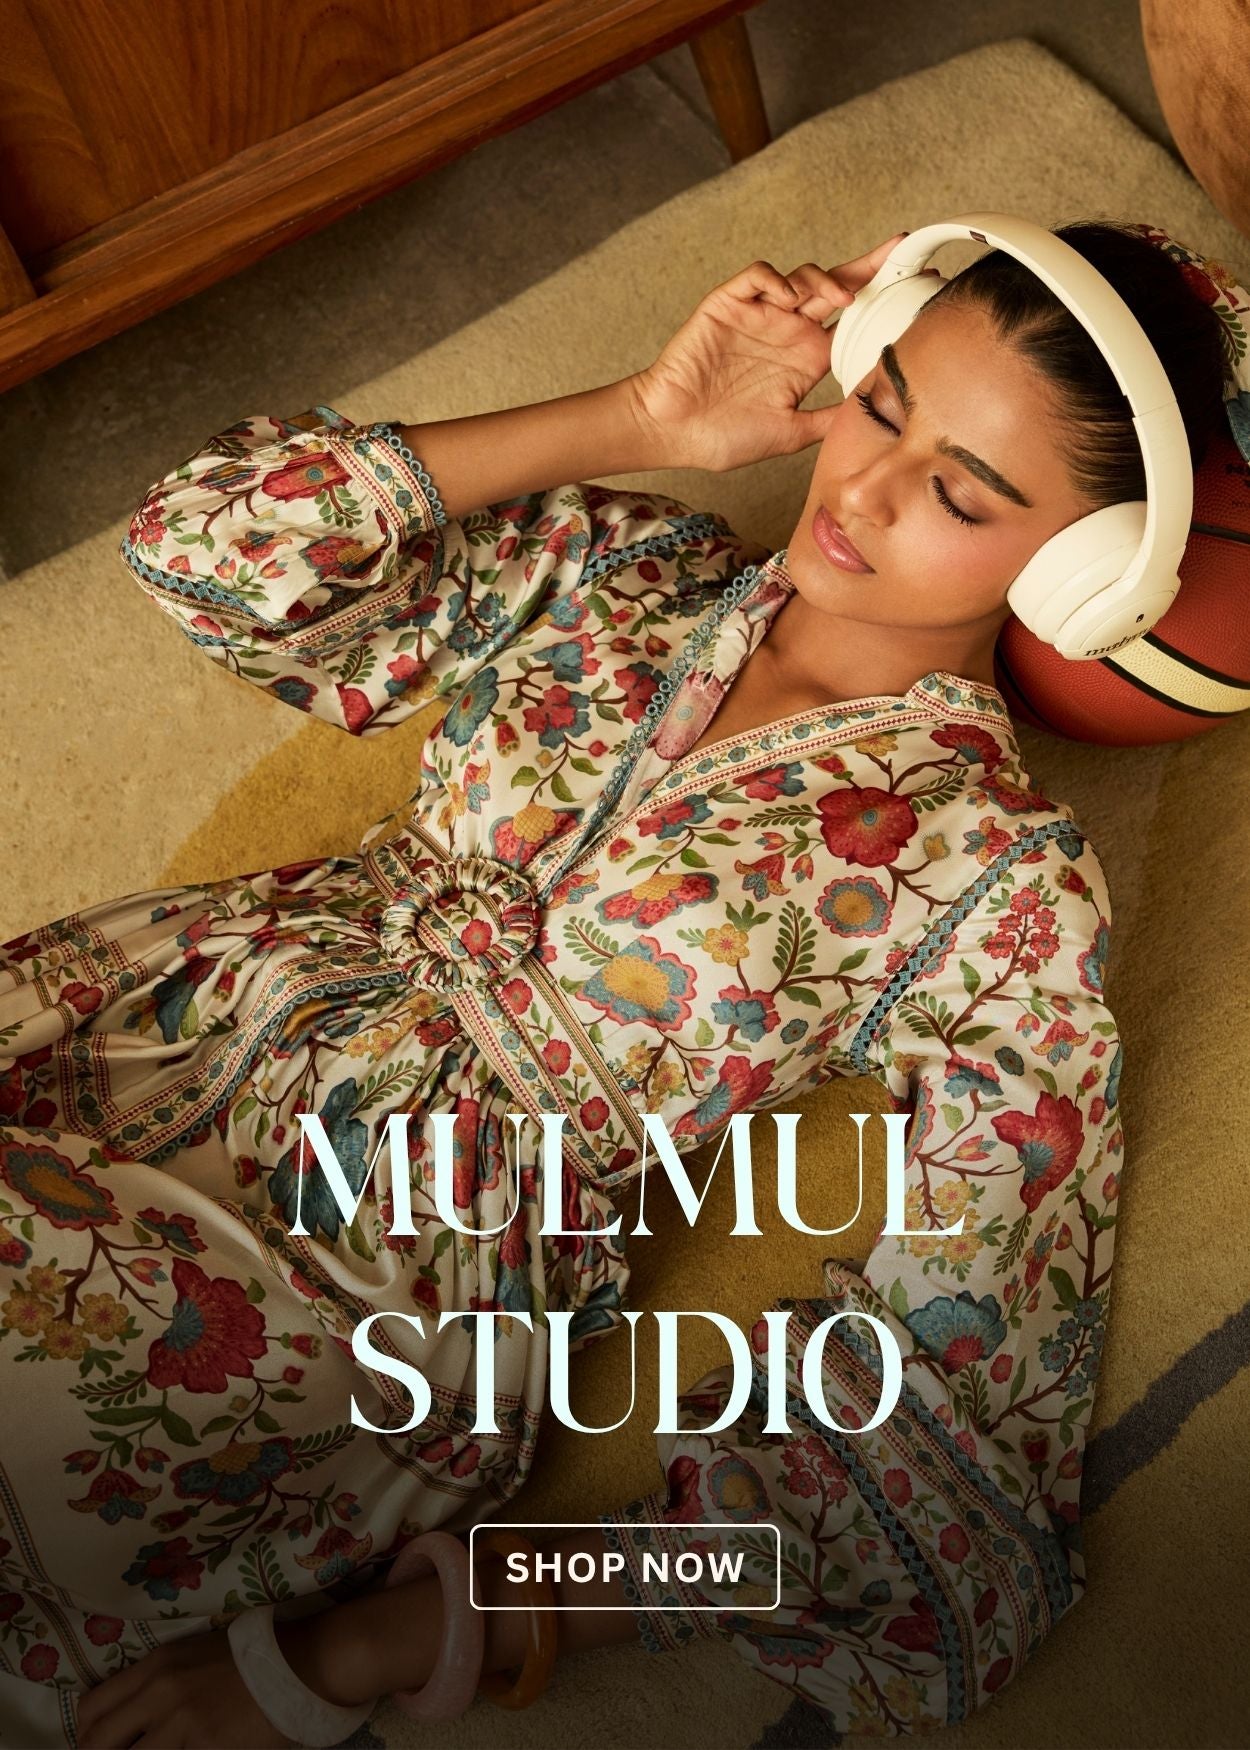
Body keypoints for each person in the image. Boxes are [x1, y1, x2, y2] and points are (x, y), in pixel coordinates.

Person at [0, 217, 1238, 1748]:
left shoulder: (997, 881)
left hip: (365, 1271)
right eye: (879, 404)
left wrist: (401, 1634)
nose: (859, 489)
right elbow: (201, 550)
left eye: (959, 494)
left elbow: (948, 1473)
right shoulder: (619, 559)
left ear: (1078, 575)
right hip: (138, 1014)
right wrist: (640, 414)